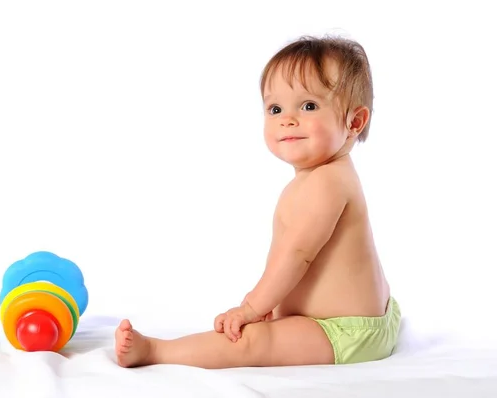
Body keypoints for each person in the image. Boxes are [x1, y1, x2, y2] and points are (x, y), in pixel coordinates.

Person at [114, 35, 401, 369]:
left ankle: (155, 352)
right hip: (356, 319)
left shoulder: (327, 182)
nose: (287, 119)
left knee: (252, 342)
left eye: (309, 106)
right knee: (269, 329)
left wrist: (251, 307)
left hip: (345, 332)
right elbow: (290, 255)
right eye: (275, 108)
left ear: (354, 122)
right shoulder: (319, 177)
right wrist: (273, 303)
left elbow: (298, 255)